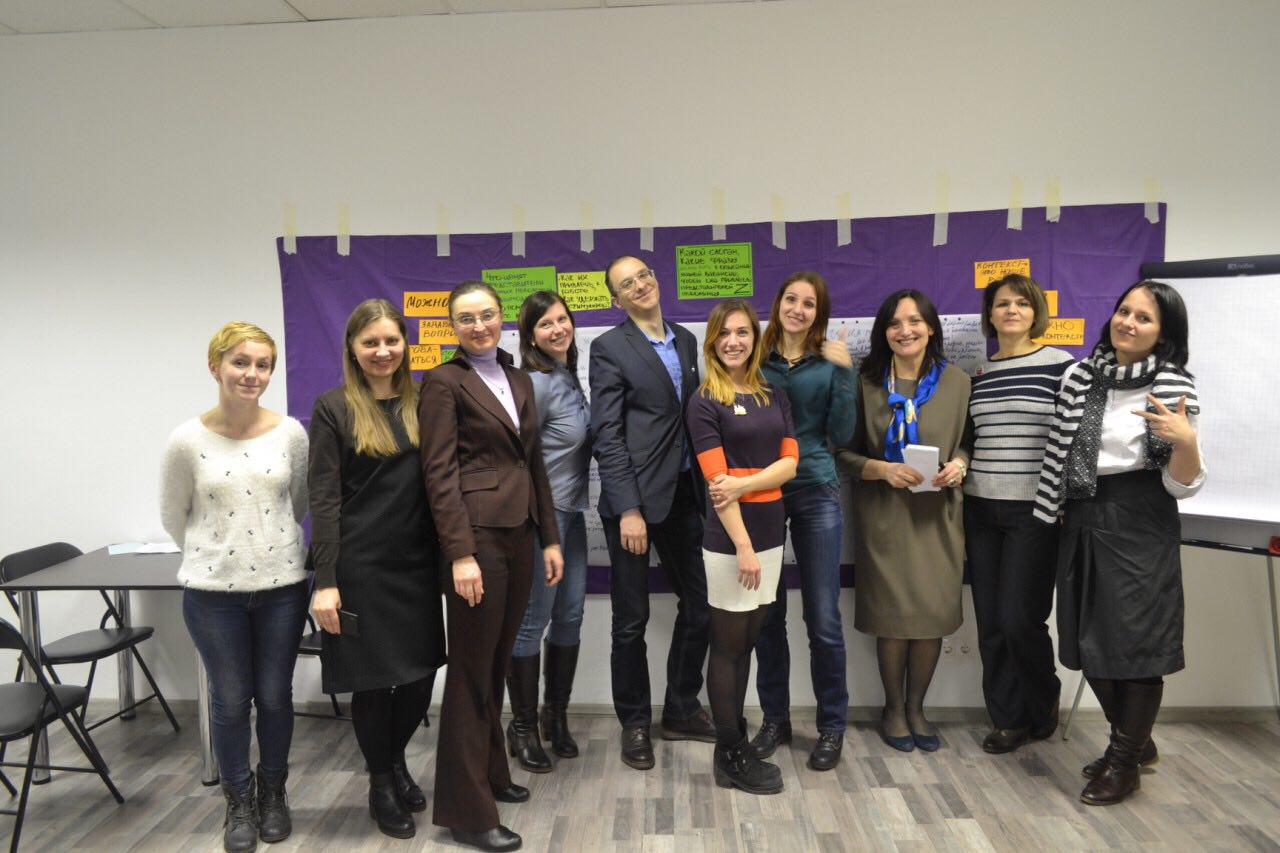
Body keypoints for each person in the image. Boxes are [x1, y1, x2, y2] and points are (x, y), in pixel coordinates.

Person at [1034, 280, 1202, 806]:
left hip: (1141, 517)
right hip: (1081, 514)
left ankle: (1124, 760)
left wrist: (1187, 442)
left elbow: (1181, 484)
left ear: (1164, 333)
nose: (1128, 322)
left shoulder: (1173, 387)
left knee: (1136, 646)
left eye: (1144, 317)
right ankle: (1135, 742)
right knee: (1088, 642)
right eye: (1124, 311)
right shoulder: (1080, 377)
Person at [419, 280, 563, 853]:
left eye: (486, 315)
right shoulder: (442, 382)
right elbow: (439, 474)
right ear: (452, 326)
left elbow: (534, 465)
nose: (477, 326)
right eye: (465, 318)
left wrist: (550, 538)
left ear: (502, 318)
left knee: (497, 664)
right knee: (470, 673)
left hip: (521, 534)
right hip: (476, 540)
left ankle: (491, 774)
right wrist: (460, 553)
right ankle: (466, 812)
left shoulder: (519, 378)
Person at [160, 321, 308, 853]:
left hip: (282, 588)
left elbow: (298, 502)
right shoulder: (186, 440)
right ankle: (238, 800)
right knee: (229, 701)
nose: (252, 374)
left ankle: (273, 793)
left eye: (263, 365)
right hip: (212, 595)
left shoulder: (291, 433)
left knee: (274, 697)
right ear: (215, 366)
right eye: (240, 362)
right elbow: (173, 515)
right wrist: (218, 555)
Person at [307, 299, 446, 838]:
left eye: (391, 340)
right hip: (359, 566)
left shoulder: (425, 399)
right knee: (372, 684)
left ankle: (393, 760)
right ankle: (382, 782)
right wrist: (326, 581)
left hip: (416, 565)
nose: (382, 351)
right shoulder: (333, 407)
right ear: (352, 349)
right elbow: (323, 499)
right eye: (371, 342)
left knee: (420, 676)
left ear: (405, 344)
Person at [590, 255, 715, 771]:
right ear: (616, 299)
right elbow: (607, 434)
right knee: (631, 621)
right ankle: (635, 723)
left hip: (684, 495)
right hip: (634, 504)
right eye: (627, 283)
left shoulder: (685, 339)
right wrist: (628, 509)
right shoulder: (608, 347)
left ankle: (681, 708)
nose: (640, 285)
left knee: (702, 608)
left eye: (644, 275)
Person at [835, 289, 970, 753]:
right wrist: (880, 469)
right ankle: (893, 709)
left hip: (938, 519)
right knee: (893, 620)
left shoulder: (957, 382)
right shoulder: (865, 383)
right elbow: (842, 452)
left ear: (931, 327)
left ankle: (917, 708)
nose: (905, 330)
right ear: (884, 332)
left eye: (914, 321)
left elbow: (969, 441)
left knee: (930, 618)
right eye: (894, 323)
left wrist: (961, 464)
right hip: (884, 520)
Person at [686, 299, 798, 794]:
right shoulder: (704, 401)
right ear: (712, 342)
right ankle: (729, 752)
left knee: (748, 641)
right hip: (734, 542)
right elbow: (717, 485)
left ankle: (735, 746)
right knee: (728, 648)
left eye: (743, 332)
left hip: (772, 534)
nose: (734, 341)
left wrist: (746, 482)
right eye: (724, 334)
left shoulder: (773, 394)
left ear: (755, 338)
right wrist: (744, 546)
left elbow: (790, 465)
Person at [963, 274, 1075, 755]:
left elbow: (1076, 442)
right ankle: (1007, 719)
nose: (1011, 310)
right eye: (1002, 303)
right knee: (990, 622)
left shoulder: (1063, 368)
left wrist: (1065, 504)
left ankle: (1042, 701)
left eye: (1022, 303)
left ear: (1035, 313)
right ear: (989, 315)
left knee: (1019, 619)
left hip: (1036, 510)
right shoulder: (977, 373)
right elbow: (969, 440)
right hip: (980, 508)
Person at [750, 272, 856, 771]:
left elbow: (843, 433)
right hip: (764, 492)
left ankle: (832, 726)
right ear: (777, 304)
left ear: (819, 313)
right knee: (767, 615)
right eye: (790, 299)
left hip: (815, 488)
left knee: (823, 618)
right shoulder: (755, 358)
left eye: (808, 303)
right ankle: (775, 720)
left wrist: (846, 373)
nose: (797, 309)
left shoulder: (830, 362)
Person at [506, 290, 591, 772]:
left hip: (573, 515)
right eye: (545, 324)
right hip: (542, 519)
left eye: (562, 319)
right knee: (532, 620)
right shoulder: (534, 382)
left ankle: (554, 717)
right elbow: (516, 457)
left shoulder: (567, 373)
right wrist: (538, 523)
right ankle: (521, 727)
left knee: (570, 616)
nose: (558, 329)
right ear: (531, 336)